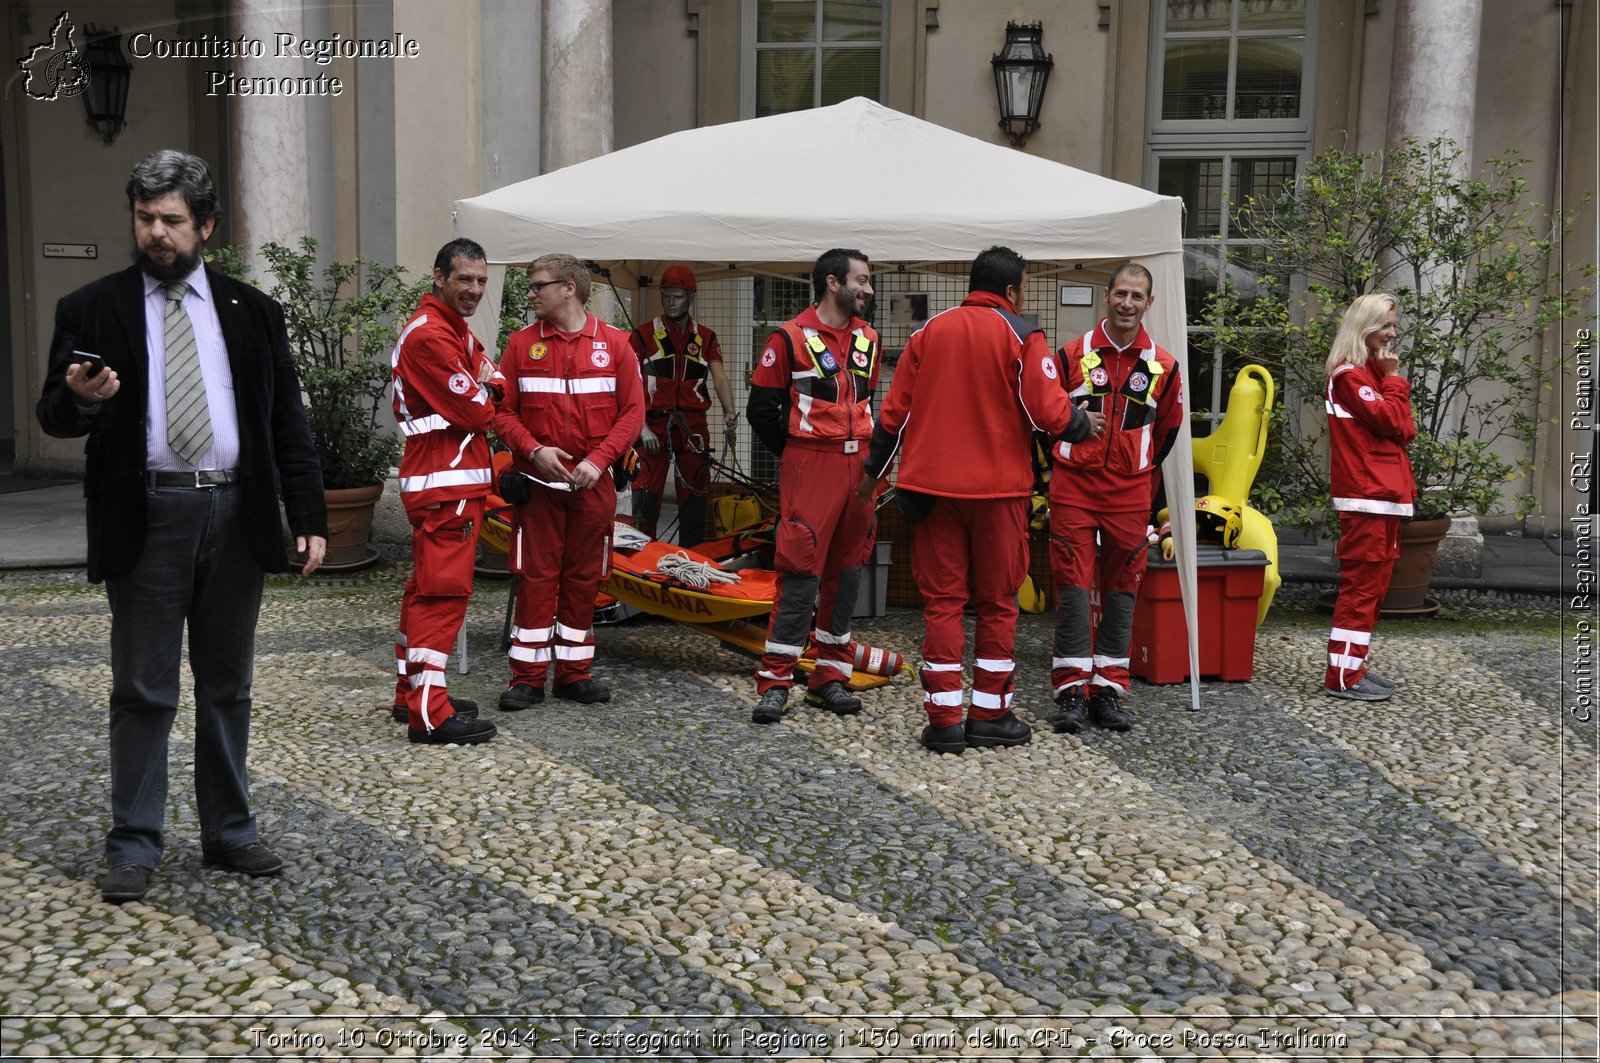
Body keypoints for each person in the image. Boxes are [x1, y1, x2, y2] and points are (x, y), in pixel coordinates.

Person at [35, 149, 329, 904]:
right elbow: (54, 416)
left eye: (171, 220)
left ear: (206, 226)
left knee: (228, 685)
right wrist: (83, 397)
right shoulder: (90, 309)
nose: (157, 233)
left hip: (236, 512)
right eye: (145, 218)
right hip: (148, 514)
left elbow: (285, 423)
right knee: (142, 688)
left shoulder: (253, 311)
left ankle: (230, 831)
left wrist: (310, 516)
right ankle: (133, 842)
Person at [859, 246, 1099, 754]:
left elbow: (893, 416)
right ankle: (990, 714)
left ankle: (944, 720)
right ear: (1012, 291)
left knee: (941, 604)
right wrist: (1082, 424)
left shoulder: (927, 333)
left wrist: (872, 478)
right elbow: (1045, 411)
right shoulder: (1022, 333)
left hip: (929, 489)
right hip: (999, 493)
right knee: (996, 603)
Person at [493, 254, 645, 711]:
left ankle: (574, 674)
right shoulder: (520, 346)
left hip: (591, 486)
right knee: (536, 579)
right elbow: (501, 411)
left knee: (584, 580)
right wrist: (534, 451)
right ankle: (527, 678)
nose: (531, 293)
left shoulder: (616, 345)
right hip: (539, 487)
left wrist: (598, 462)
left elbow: (633, 413)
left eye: (539, 285)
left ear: (569, 289)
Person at [1047, 263, 1184, 734]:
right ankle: (1070, 690)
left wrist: (1137, 467)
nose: (1127, 303)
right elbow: (1044, 417)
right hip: (1074, 487)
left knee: (1123, 589)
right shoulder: (1069, 355)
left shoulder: (1165, 366)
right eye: (1120, 293)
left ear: (1149, 303)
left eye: (1137, 296)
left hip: (1129, 490)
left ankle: (1108, 689)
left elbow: (1167, 431)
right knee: (1071, 587)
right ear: (1106, 296)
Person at [747, 249, 881, 724]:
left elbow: (867, 402)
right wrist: (796, 456)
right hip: (811, 466)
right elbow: (760, 411)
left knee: (848, 574)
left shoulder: (869, 338)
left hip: (860, 468)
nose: (868, 289)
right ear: (832, 282)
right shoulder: (788, 337)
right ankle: (776, 681)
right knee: (800, 572)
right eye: (861, 281)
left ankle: (829, 678)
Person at [389, 238, 503, 746]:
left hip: (441, 479)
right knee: (441, 596)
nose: (474, 290)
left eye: (480, 280)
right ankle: (430, 714)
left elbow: (490, 377)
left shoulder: (448, 329)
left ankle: (410, 694)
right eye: (464, 279)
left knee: (422, 592)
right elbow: (479, 409)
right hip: (447, 482)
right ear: (438, 277)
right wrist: (488, 389)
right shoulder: (433, 336)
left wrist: (487, 384)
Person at [1323, 292, 1415, 700]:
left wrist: (1388, 384)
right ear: (1364, 327)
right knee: (1361, 588)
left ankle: (1353, 666)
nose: (1392, 335)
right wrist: (1395, 381)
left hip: (1381, 496)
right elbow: (1393, 419)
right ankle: (1342, 677)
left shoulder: (1368, 375)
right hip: (1367, 497)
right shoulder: (1349, 376)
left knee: (1372, 589)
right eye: (1386, 326)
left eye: (1394, 326)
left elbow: (1404, 429)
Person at [628, 264, 739, 546]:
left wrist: (729, 411)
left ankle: (692, 557)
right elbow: (627, 387)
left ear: (691, 297)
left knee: (695, 495)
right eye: (666, 296)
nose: (671, 302)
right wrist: (641, 429)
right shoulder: (642, 336)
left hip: (693, 426)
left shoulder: (706, 338)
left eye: (677, 297)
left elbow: (720, 377)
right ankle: (642, 555)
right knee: (645, 495)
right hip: (651, 423)